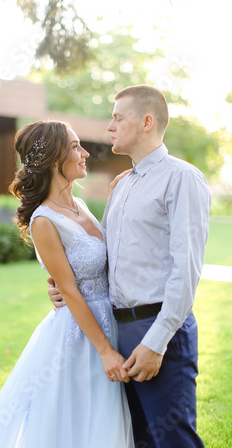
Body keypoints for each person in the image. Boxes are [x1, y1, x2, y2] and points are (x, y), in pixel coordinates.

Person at [48, 85, 211, 448]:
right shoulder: (121, 185)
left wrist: (156, 343)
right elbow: (116, 259)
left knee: (173, 440)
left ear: (147, 122)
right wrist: (66, 284)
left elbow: (186, 274)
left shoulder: (181, 178)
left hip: (160, 330)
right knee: (136, 440)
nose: (110, 126)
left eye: (119, 118)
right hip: (118, 331)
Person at [0, 120, 134, 448]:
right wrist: (105, 350)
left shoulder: (79, 205)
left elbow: (101, 260)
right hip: (81, 339)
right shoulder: (44, 220)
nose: (84, 154)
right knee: (80, 423)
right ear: (54, 159)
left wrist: (119, 194)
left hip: (109, 320)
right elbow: (68, 289)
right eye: (75, 146)